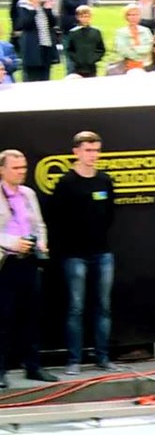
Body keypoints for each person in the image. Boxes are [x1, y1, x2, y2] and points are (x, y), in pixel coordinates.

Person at [48, 132, 118, 376]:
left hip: (102, 252)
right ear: (76, 151)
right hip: (73, 254)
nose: (93, 155)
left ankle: (103, 357)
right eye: (88, 150)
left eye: (96, 150)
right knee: (76, 307)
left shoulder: (105, 180)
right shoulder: (66, 183)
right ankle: (74, 359)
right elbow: (55, 219)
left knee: (104, 306)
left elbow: (110, 214)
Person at [0, 150, 59, 388]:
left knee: (32, 316)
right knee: (3, 318)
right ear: (2, 170)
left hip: (30, 261)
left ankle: (33, 366)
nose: (22, 172)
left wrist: (41, 242)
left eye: (23, 167)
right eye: (16, 168)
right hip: (6, 263)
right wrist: (14, 242)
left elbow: (39, 224)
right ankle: (0, 370)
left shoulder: (28, 193)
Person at [14, 0, 59, 82]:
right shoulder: (23, 4)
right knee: (32, 77)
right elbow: (24, 24)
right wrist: (33, 8)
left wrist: (48, 10)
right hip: (32, 46)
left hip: (46, 44)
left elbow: (53, 24)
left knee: (45, 77)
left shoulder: (43, 1)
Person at [65, 4, 104, 78]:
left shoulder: (96, 32)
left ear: (90, 17)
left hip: (92, 65)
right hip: (77, 66)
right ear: (77, 17)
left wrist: (94, 58)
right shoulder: (73, 33)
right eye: (82, 16)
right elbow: (69, 49)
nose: (84, 19)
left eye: (86, 16)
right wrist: (77, 59)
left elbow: (100, 48)